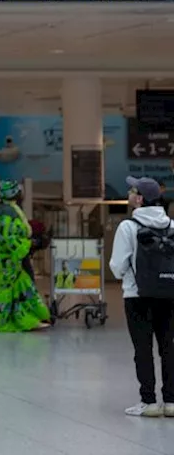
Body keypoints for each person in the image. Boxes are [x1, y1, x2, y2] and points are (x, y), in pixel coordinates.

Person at [109, 176, 174, 417]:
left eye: (131, 190)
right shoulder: (172, 226)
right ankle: (171, 401)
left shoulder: (128, 227)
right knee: (168, 347)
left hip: (137, 296)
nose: (128, 192)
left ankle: (148, 402)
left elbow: (117, 266)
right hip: (169, 295)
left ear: (139, 199)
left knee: (143, 349)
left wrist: (129, 274)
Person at [0, 180, 51, 332]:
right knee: (6, 290)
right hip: (6, 260)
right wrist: (30, 244)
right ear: (15, 193)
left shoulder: (2, 210)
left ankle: (26, 319)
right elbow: (8, 239)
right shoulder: (7, 214)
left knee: (21, 286)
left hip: (5, 258)